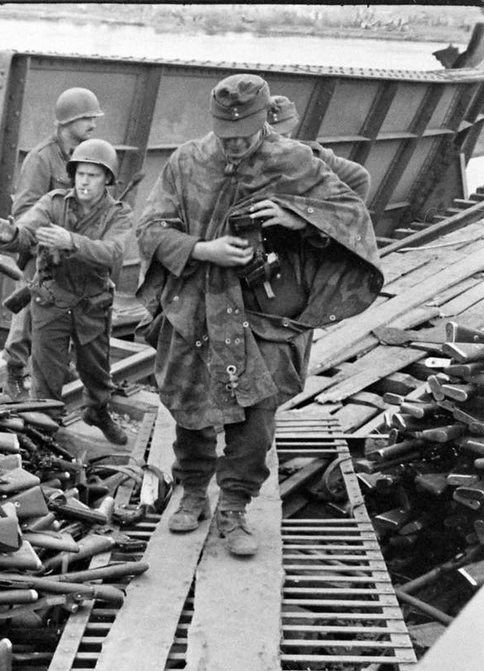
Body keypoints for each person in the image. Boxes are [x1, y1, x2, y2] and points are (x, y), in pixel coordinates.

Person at [135, 74, 383, 557]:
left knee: (257, 414)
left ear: (262, 120)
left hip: (264, 310)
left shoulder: (294, 160)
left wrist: (298, 217)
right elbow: (150, 229)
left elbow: (350, 209)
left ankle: (234, 504)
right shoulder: (187, 160)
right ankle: (191, 491)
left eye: (245, 135)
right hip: (198, 304)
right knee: (190, 403)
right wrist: (202, 248)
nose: (235, 144)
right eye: (226, 136)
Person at [0, 138, 131, 446]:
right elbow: (28, 230)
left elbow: (112, 253)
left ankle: (97, 411)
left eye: (93, 175)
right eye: (80, 174)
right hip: (51, 302)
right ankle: (46, 432)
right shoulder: (54, 203)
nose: (84, 181)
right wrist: (12, 235)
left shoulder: (118, 214)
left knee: (96, 371)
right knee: (45, 375)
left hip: (90, 307)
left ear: (107, 179)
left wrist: (70, 241)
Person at [2, 87, 105, 400]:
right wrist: (49, 241)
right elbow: (24, 213)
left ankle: (59, 367)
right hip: (42, 253)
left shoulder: (87, 154)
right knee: (28, 317)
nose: (93, 123)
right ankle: (14, 374)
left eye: (94, 117)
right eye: (86, 117)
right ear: (66, 122)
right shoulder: (41, 159)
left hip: (74, 253)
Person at [268, 94, 372, 201]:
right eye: (274, 133)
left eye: (286, 133)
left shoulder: (310, 155)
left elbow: (359, 178)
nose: (281, 139)